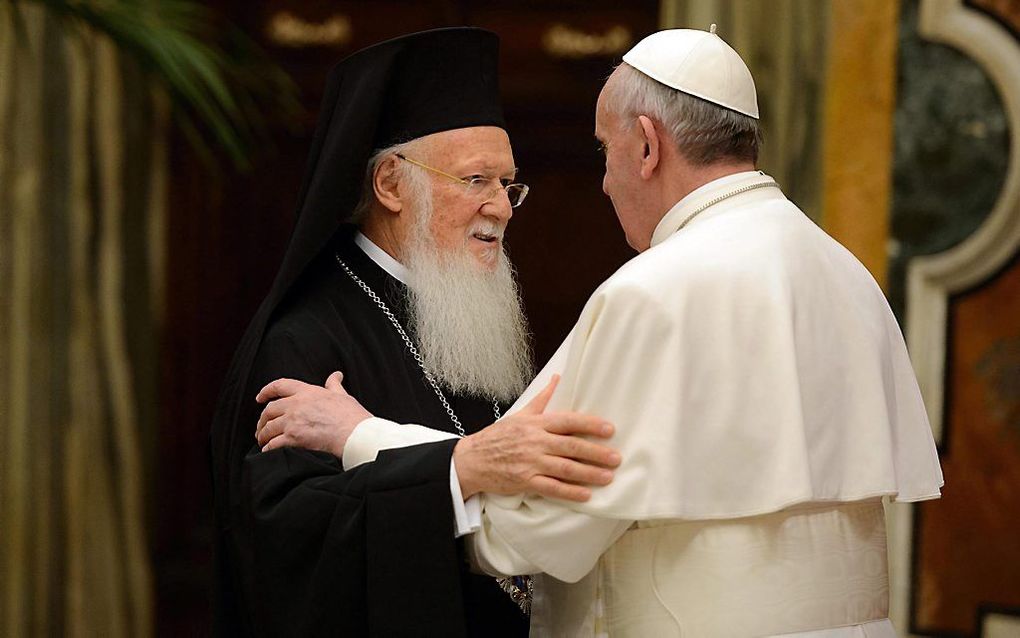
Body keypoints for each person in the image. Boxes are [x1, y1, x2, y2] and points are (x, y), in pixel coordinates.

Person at [257, 26, 946, 637]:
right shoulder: (847, 271)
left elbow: (534, 531)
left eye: (604, 152)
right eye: (477, 179)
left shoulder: (654, 292)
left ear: (647, 145)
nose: (605, 183)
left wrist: (362, 436)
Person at [210, 28, 621, 638]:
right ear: (391, 185)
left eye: (508, 184)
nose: (503, 207)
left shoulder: (467, 320)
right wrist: (457, 469)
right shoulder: (304, 341)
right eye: (476, 180)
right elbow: (290, 538)